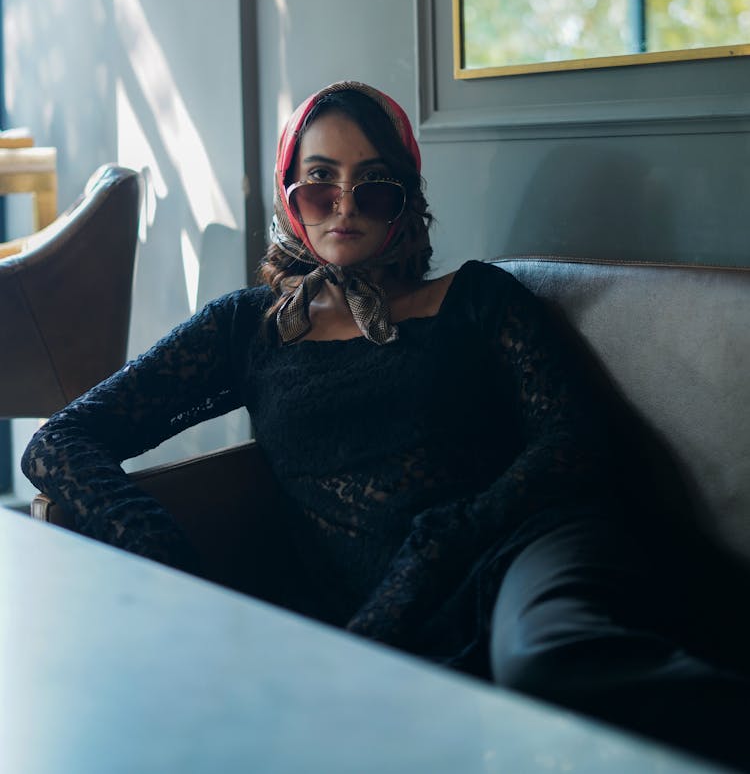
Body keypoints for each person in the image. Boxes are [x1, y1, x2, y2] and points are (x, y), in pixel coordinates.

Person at [22, 81, 750, 768]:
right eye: (319, 181)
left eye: (372, 183)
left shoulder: (477, 298)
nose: (345, 204)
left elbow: (576, 446)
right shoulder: (246, 329)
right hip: (379, 601)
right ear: (289, 192)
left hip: (524, 546)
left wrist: (449, 536)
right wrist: (166, 555)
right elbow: (62, 441)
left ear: (404, 199)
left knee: (551, 662)